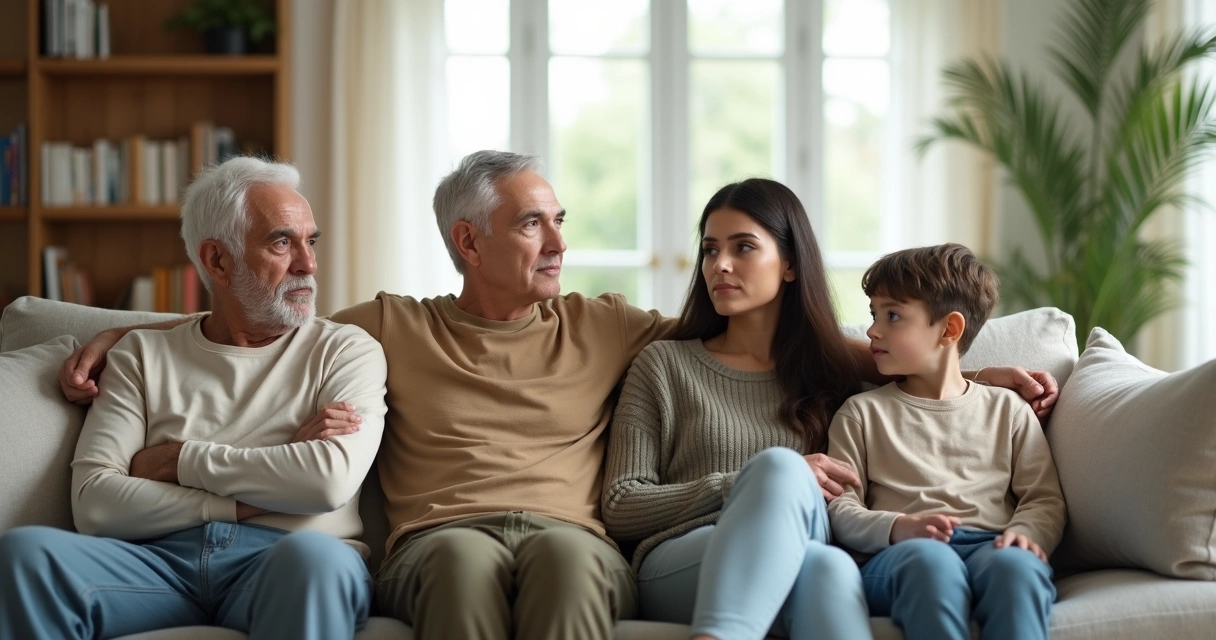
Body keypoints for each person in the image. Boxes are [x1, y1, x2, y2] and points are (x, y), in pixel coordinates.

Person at [57, 150, 1061, 640]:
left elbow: (783, 334)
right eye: (534, 225)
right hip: (436, 530)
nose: (559, 243)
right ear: (469, 242)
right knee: (455, 563)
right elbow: (260, 312)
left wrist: (969, 371)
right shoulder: (389, 324)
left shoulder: (607, 324)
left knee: (573, 566)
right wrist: (113, 331)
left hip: (569, 530)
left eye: (559, 222)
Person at [0, 157, 388, 640]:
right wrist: (253, 491)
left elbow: (326, 483)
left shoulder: (346, 349)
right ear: (217, 260)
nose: (308, 263)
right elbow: (95, 503)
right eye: (282, 242)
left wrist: (174, 461)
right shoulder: (141, 353)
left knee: (313, 561)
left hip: (288, 559)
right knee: (26, 556)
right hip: (156, 563)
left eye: (310, 241)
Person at [602, 178, 873, 640]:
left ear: (789, 264)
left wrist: (986, 379)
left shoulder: (833, 367)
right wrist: (743, 483)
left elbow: (928, 368)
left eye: (743, 247)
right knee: (787, 487)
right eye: (709, 250)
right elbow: (621, 504)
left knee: (825, 564)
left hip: (803, 543)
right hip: (682, 559)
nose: (719, 265)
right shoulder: (665, 365)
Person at [826, 243, 1066, 640]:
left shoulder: (1008, 409)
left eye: (893, 315)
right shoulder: (861, 413)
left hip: (991, 545)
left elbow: (1043, 498)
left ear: (949, 329)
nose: (872, 329)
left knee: (1016, 569)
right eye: (874, 314)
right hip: (901, 555)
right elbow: (841, 507)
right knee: (931, 564)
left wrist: (1028, 534)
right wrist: (898, 527)